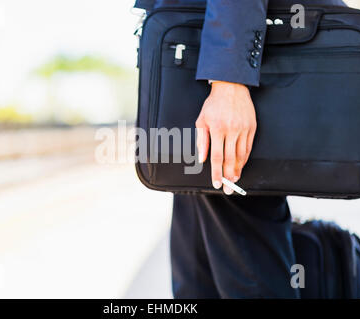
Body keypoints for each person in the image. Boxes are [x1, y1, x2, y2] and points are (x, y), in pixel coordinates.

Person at [136, 0, 347, 298]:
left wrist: (229, 80)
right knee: (198, 277)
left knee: (249, 274)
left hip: (224, 61)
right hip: (201, 47)